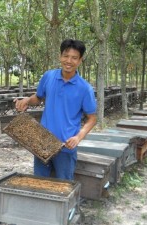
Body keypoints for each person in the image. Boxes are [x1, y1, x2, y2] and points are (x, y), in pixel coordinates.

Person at [14, 39, 97, 180]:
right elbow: (38, 97)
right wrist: (27, 100)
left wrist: (78, 137)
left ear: (80, 60)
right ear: (60, 56)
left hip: (65, 146)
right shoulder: (48, 76)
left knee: (63, 186)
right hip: (42, 142)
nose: (69, 61)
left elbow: (92, 118)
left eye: (74, 58)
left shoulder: (85, 88)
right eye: (65, 56)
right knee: (40, 183)